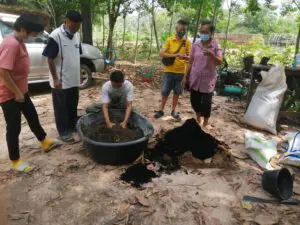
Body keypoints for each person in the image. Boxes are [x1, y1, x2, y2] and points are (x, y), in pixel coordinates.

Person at [0, 14, 61, 172]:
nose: (35, 36)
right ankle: (15, 160)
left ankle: (44, 141)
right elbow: (3, 72)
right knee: (14, 128)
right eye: (33, 33)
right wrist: (16, 93)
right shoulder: (11, 44)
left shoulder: (19, 41)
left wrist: (21, 91)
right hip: (9, 95)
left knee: (33, 117)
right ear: (22, 29)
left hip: (21, 91)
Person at [43, 11, 83, 142]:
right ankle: (64, 131)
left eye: (78, 27)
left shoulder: (77, 35)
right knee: (61, 108)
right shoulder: (56, 36)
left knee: (73, 105)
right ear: (66, 21)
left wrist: (80, 74)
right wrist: (55, 79)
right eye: (73, 26)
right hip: (61, 80)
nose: (75, 29)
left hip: (74, 79)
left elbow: (78, 55)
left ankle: (73, 127)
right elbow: (49, 59)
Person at [185, 20, 223, 128]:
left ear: (211, 33)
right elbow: (191, 61)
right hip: (195, 77)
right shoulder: (195, 45)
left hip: (208, 79)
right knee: (194, 100)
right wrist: (186, 76)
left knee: (206, 102)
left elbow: (219, 62)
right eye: (201, 31)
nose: (203, 34)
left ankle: (206, 122)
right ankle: (198, 117)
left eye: (206, 32)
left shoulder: (216, 46)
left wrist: (212, 55)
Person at [154, 19, 191, 121]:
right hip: (168, 71)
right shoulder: (169, 40)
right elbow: (161, 53)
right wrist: (176, 55)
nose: (182, 31)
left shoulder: (187, 42)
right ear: (176, 29)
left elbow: (190, 58)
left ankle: (173, 111)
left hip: (180, 72)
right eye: (180, 29)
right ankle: (161, 110)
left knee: (177, 92)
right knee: (165, 91)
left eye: (183, 29)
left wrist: (185, 74)